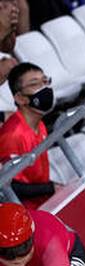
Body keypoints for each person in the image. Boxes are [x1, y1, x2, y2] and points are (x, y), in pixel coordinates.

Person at [0, 62, 56, 206]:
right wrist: (51, 188)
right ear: (20, 98)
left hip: (45, 203)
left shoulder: (40, 124)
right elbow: (9, 185)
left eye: (45, 81)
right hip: (28, 212)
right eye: (34, 84)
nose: (44, 88)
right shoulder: (12, 135)